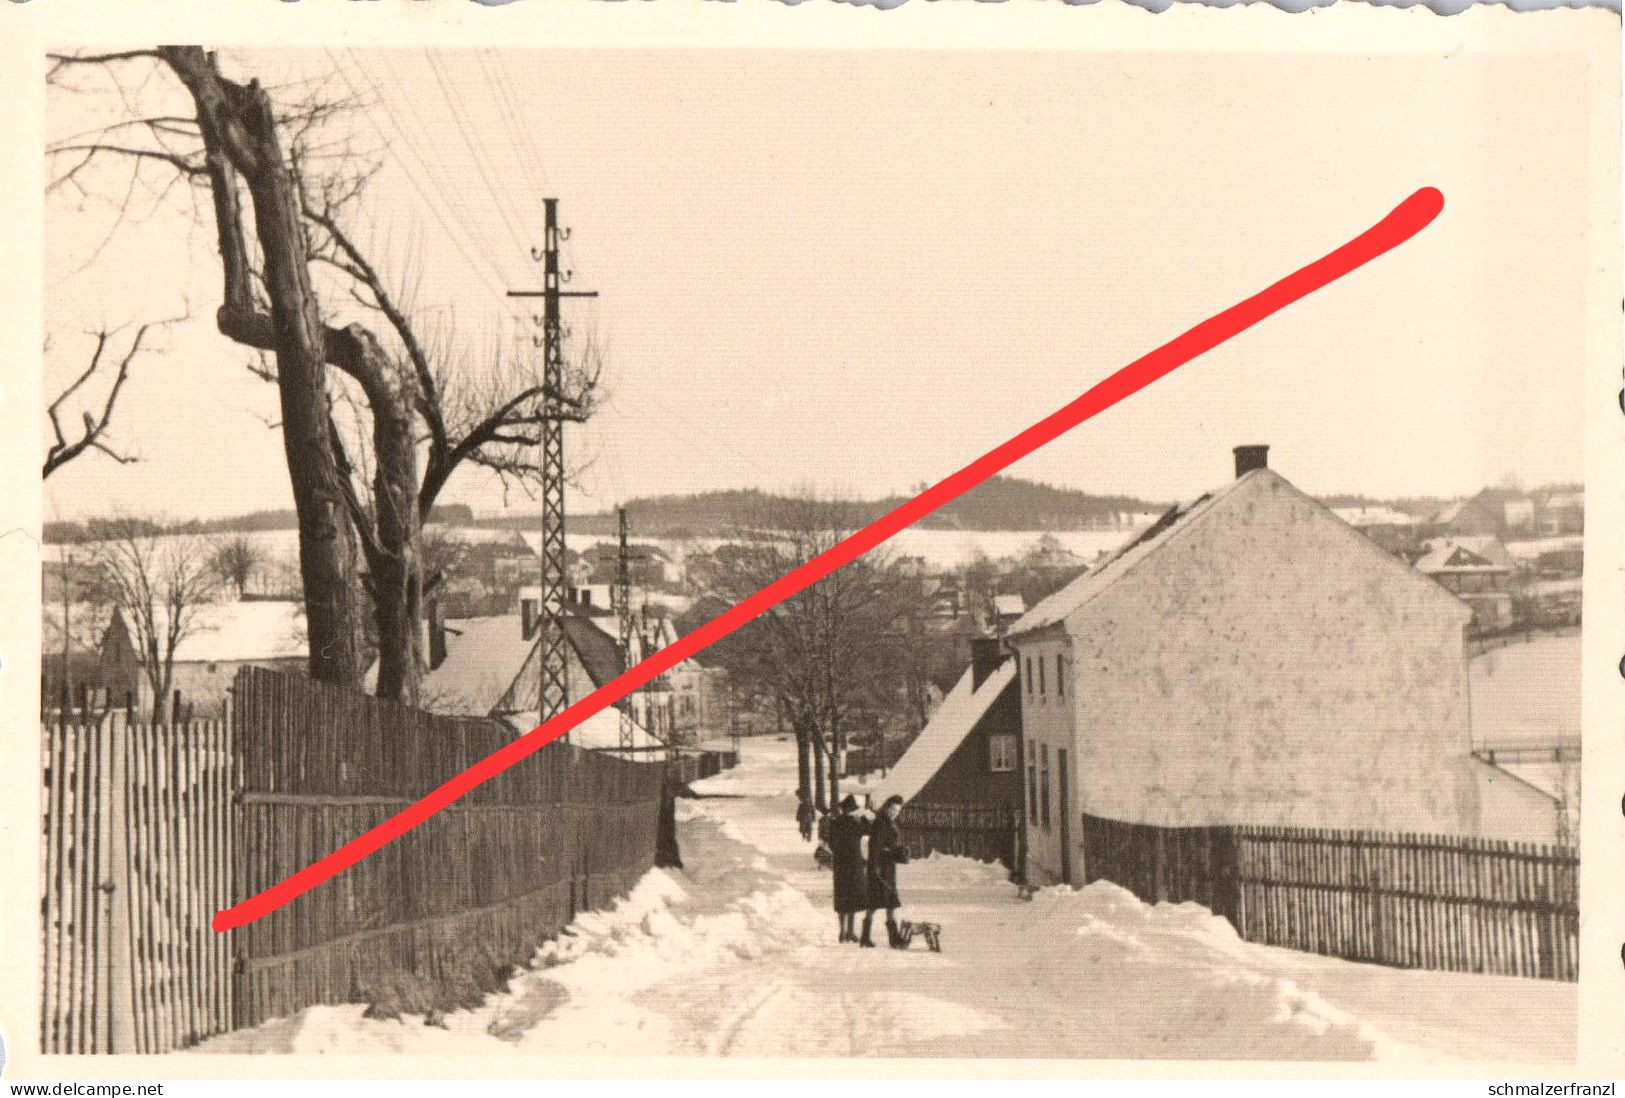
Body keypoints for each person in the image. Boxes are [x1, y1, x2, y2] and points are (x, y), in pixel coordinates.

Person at [861, 794, 910, 948]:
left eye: (897, 810)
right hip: (880, 868)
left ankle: (874, 937)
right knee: (878, 902)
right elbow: (874, 847)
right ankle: (888, 938)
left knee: (888, 902)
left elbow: (888, 846)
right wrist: (874, 868)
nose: (894, 812)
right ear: (887, 806)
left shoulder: (888, 822)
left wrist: (898, 853)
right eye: (892, 809)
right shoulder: (881, 823)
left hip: (887, 867)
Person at [828, 794, 870, 943]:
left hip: (840, 865)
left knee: (841, 896)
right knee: (853, 896)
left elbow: (831, 843)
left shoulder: (835, 823)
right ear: (853, 810)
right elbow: (870, 829)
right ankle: (851, 932)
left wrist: (839, 854)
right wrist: (864, 817)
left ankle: (842, 932)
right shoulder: (856, 823)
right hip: (854, 864)